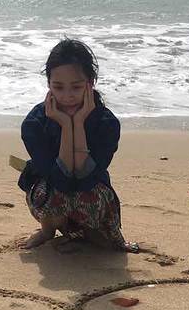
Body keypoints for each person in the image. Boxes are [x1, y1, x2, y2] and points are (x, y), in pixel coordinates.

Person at [18, 37, 133, 251]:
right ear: (48, 85)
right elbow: (59, 181)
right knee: (53, 194)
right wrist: (64, 125)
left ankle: (87, 231)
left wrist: (78, 124)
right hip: (50, 195)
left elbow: (85, 178)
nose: (67, 96)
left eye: (76, 87)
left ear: (91, 83)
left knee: (105, 240)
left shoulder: (106, 123)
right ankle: (47, 230)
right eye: (58, 87)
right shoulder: (34, 124)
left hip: (91, 194)